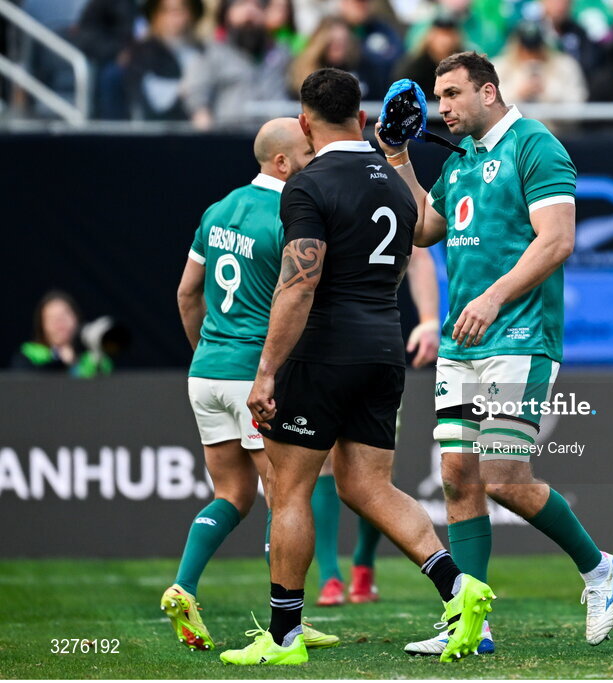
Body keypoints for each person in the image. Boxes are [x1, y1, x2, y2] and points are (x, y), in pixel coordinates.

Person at [224, 67, 495, 666]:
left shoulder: (308, 184)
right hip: (382, 348)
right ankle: (459, 585)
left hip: (323, 352)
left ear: (304, 123)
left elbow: (298, 286)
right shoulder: (396, 185)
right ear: (363, 119)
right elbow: (410, 253)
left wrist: (267, 370)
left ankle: (286, 636)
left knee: (289, 489)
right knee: (367, 485)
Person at [376, 51, 613, 655]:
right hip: (465, 344)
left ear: (489, 91)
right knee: (459, 476)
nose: (444, 108)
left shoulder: (535, 145)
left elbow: (559, 239)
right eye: (439, 97)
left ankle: (598, 569)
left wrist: (493, 295)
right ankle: (471, 620)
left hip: (520, 334)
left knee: (505, 476)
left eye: (454, 95)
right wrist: (400, 161)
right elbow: (422, 231)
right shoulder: (461, 159)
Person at [163, 117, 342, 652]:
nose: (316, 164)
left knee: (232, 494)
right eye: (309, 155)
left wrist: (207, 355)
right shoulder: (290, 214)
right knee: (283, 496)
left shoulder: (218, 210)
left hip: (207, 372)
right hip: (254, 375)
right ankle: (286, 622)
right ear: (282, 162)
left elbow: (186, 295)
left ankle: (184, 585)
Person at [312, 244, 442, 607]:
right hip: (334, 345)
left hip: (364, 345)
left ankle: (363, 566)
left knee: (372, 467)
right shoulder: (321, 194)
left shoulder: (378, 191)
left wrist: (430, 319)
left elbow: (418, 253)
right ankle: (329, 576)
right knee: (325, 462)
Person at [181, 0, 292, 130]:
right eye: (241, 4)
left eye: (258, 5)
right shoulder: (210, 54)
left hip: (275, 141)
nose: (250, 12)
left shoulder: (283, 54)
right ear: (226, 13)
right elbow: (196, 100)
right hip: (228, 138)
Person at [124, 0, 204, 121]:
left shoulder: (202, 50)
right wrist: (180, 90)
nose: (175, 18)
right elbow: (145, 100)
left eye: (180, 11)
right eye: (168, 11)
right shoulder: (143, 52)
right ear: (156, 15)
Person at [11, 291, 112, 377]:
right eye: (52, 318)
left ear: (76, 318)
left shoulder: (92, 358)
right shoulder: (28, 354)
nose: (60, 323)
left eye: (65, 315)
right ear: (42, 325)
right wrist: (59, 362)